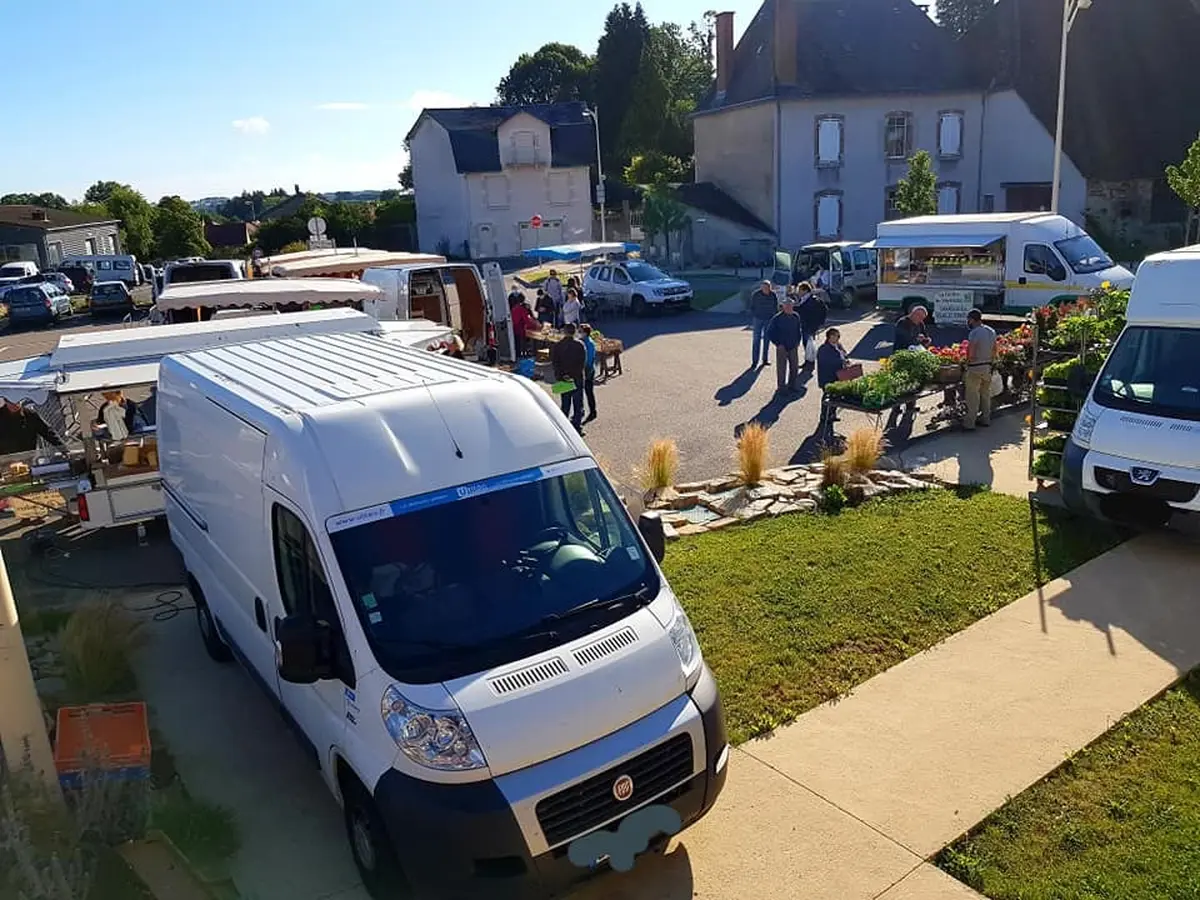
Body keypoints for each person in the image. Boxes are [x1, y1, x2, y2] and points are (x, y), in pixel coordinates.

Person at [963, 308, 997, 430]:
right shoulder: (991, 331)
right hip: (987, 366)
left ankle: (970, 423)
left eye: (968, 320)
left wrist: (968, 362)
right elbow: (995, 349)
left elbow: (971, 349)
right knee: (985, 394)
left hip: (975, 367)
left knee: (972, 395)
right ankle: (986, 419)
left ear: (972, 320)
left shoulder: (975, 332)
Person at [550, 323, 586, 433]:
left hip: (563, 378)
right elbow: (582, 363)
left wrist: (561, 375)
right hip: (576, 378)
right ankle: (577, 426)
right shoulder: (580, 345)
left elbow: (555, 363)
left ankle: (563, 427)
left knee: (565, 403)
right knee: (577, 403)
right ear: (574, 332)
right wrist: (574, 374)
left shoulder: (557, 345)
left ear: (564, 332)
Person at [766, 296, 803, 393]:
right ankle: (781, 388)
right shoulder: (777, 318)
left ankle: (792, 385)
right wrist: (778, 344)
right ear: (783, 307)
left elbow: (798, 330)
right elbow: (770, 332)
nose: (789, 308)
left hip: (793, 346)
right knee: (782, 368)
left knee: (794, 367)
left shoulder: (796, 316)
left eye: (791, 306)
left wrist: (798, 342)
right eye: (787, 306)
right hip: (781, 346)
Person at [816, 327, 849, 435]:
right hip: (827, 377)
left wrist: (846, 360)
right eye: (834, 336)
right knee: (827, 396)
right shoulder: (823, 349)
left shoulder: (838, 346)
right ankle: (824, 416)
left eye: (837, 336)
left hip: (837, 376)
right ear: (829, 337)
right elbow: (826, 362)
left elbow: (844, 354)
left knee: (836, 396)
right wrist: (841, 362)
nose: (836, 338)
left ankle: (832, 414)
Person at [795, 281, 827, 368]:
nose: (798, 292)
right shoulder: (806, 299)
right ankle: (808, 362)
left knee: (809, 345)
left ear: (805, 290)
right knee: (807, 344)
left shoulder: (812, 300)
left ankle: (810, 363)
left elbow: (805, 311)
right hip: (806, 325)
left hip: (809, 326)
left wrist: (819, 323)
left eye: (799, 290)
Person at [749, 280, 778, 368]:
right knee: (756, 340)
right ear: (761, 287)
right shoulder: (756, 294)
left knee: (767, 340)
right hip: (758, 319)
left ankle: (765, 359)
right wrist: (755, 314)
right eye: (764, 288)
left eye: (768, 288)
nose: (766, 290)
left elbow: (775, 306)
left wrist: (774, 317)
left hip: (768, 319)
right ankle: (755, 361)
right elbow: (752, 306)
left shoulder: (773, 295)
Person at [579, 323, 598, 423]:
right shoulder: (582, 341)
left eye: (580, 331)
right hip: (583, 369)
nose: (579, 333)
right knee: (583, 391)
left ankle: (593, 411)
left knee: (588, 391)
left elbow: (589, 359)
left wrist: (586, 371)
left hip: (588, 370)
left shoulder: (589, 344)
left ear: (586, 333)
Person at [509, 292, 538, 358]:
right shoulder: (522, 309)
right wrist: (534, 326)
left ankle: (517, 355)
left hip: (513, 328)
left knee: (516, 344)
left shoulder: (514, 308)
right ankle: (522, 356)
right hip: (520, 329)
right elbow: (527, 320)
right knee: (522, 343)